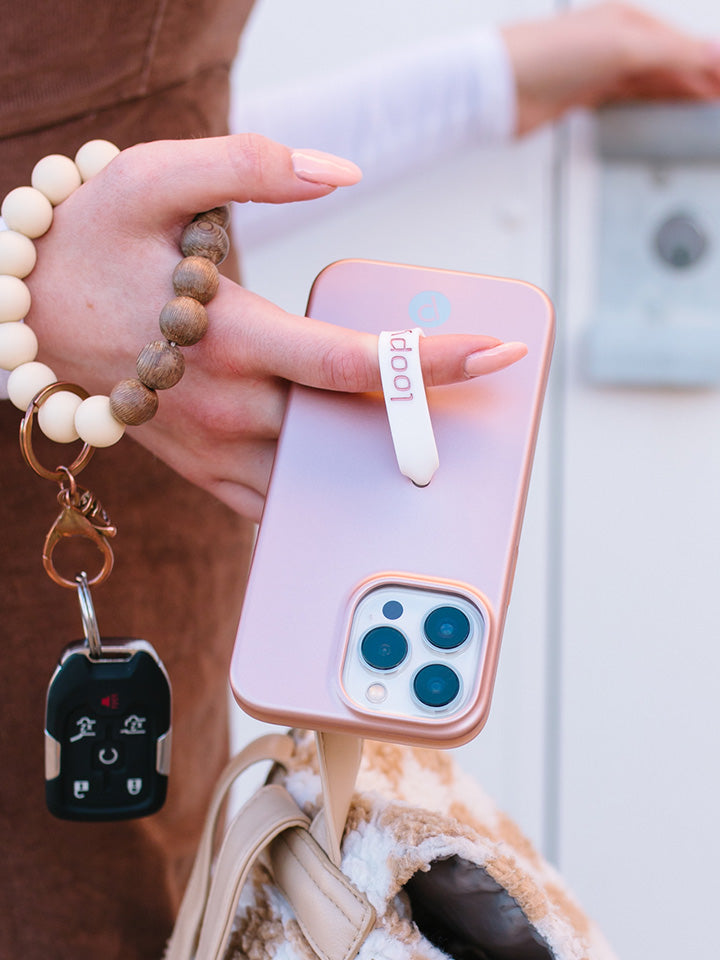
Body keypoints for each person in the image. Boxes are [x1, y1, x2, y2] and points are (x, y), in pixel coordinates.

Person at [2, 3, 719, 959]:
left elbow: (128, 124)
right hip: (82, 449)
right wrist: (29, 290)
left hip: (138, 482)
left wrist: (495, 82)